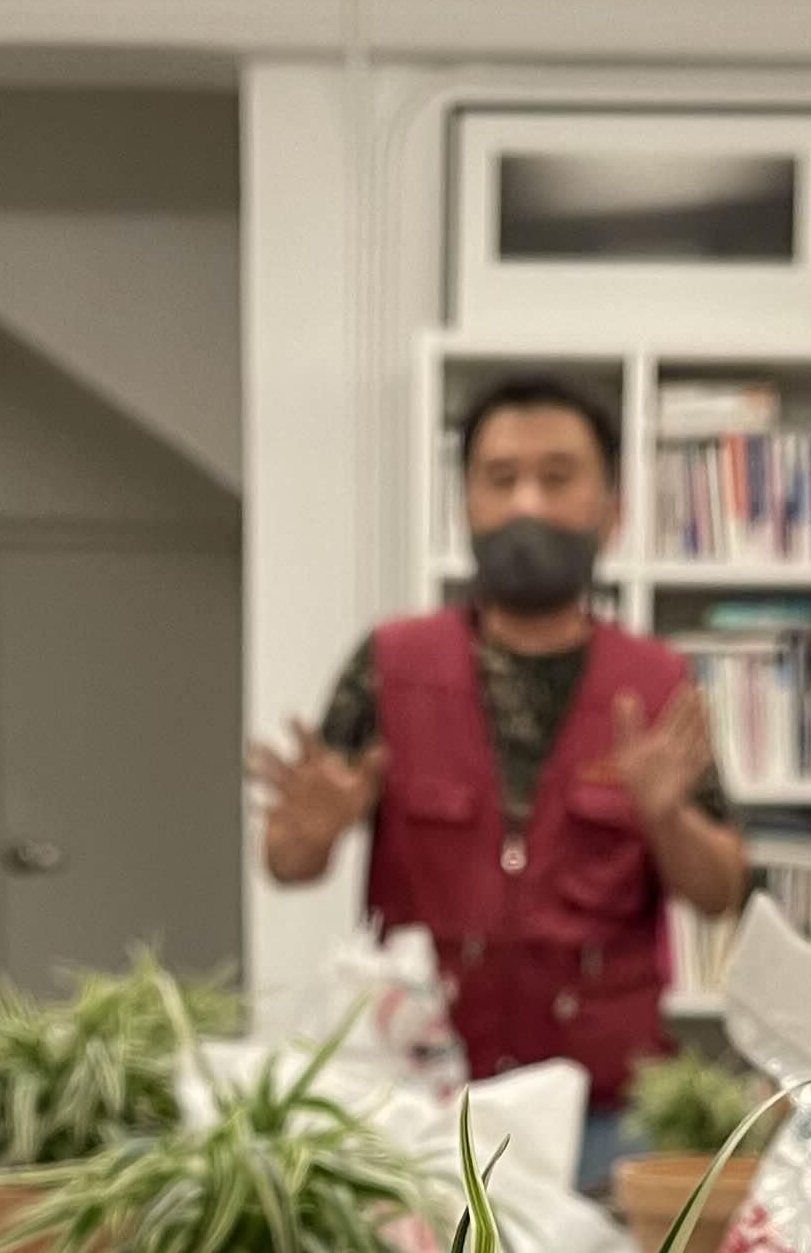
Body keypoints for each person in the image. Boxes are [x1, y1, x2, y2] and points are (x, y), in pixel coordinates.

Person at [248, 374, 750, 1183]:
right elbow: (288, 862)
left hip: (604, 1114)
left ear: (611, 508)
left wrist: (668, 820)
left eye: (557, 478)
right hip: (422, 1104)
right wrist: (309, 832)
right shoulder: (391, 664)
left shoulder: (656, 684)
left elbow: (722, 890)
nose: (527, 504)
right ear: (467, 502)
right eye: (500, 478)